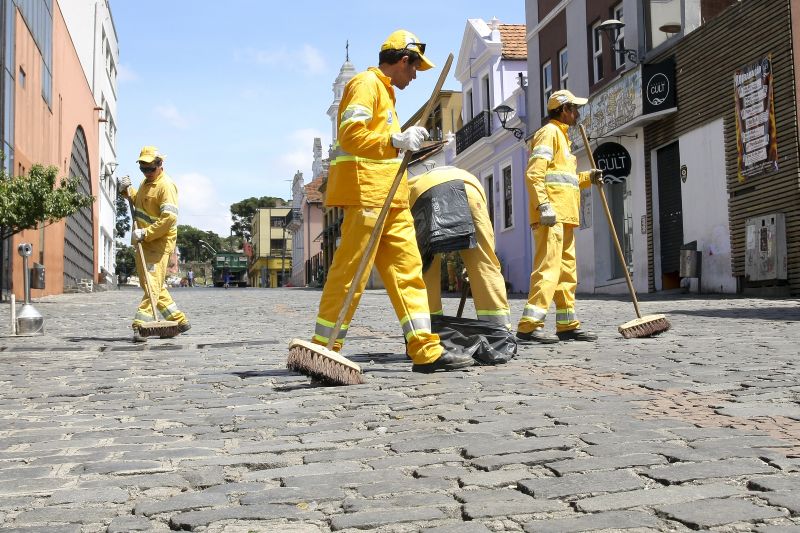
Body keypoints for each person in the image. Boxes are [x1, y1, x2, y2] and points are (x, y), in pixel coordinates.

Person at [309, 30, 474, 373]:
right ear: (403, 61)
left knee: (409, 273)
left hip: (392, 198)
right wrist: (396, 140)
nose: (414, 76)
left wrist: (402, 144)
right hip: (368, 195)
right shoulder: (366, 84)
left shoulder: (386, 95)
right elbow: (351, 134)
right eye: (414, 69)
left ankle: (425, 350)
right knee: (349, 272)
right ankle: (323, 347)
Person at [516, 90, 603, 344]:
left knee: (566, 272)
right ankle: (529, 326)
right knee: (548, 270)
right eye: (574, 108)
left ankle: (567, 325)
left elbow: (565, 180)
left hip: (564, 216)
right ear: (564, 110)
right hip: (551, 216)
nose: (577, 114)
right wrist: (543, 206)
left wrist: (588, 178)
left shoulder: (563, 139)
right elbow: (534, 173)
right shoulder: (549, 133)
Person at [408, 166, 512, 330]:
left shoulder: (407, 186)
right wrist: (471, 264)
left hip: (425, 194)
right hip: (469, 189)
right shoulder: (467, 178)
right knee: (484, 263)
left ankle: (429, 331)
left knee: (425, 266)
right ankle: (500, 331)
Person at [117, 146, 191, 343]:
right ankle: (178, 320)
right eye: (143, 169)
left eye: (150, 169)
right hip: (143, 242)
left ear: (160, 165)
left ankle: (140, 326)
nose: (146, 172)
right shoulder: (145, 183)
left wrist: (146, 233)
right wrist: (127, 192)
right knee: (151, 284)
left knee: (151, 284)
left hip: (158, 242)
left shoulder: (166, 186)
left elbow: (169, 219)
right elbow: (140, 204)